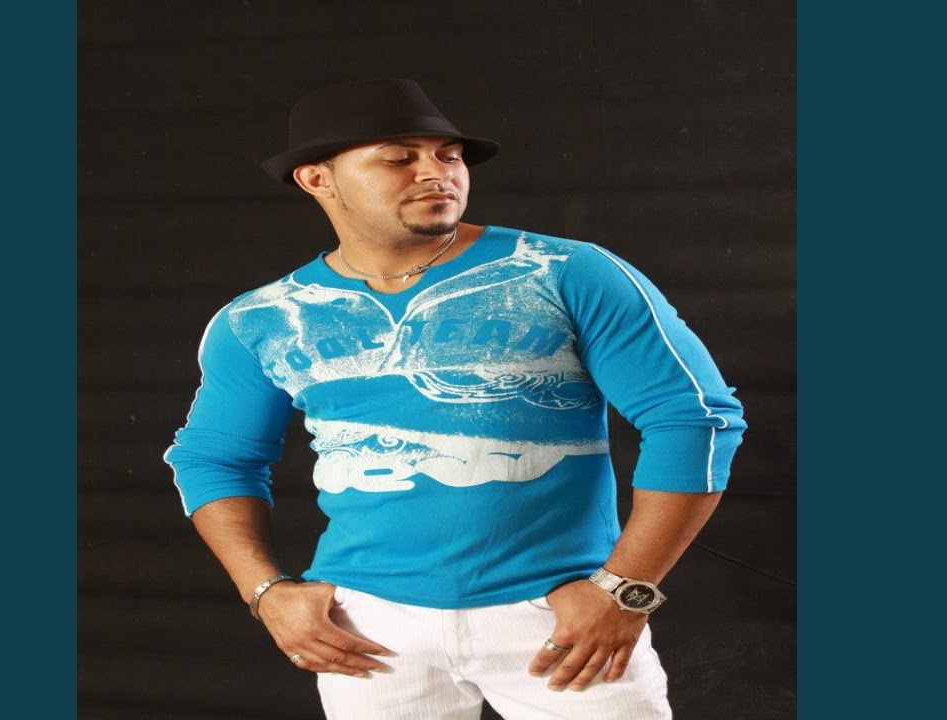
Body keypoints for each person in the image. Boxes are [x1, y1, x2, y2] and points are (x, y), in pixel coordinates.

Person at [164, 78, 746, 719]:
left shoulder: (562, 272)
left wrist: (625, 590)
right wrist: (266, 591)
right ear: (316, 179)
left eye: (449, 155)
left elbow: (693, 419)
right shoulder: (261, 319)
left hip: (559, 613)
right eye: (398, 157)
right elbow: (214, 458)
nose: (436, 172)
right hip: (366, 627)